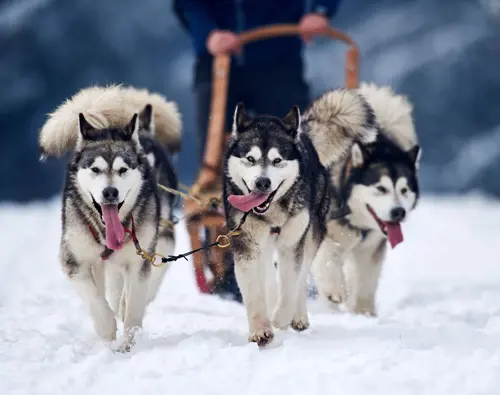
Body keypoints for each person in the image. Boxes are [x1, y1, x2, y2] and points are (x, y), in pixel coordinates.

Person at [173, 0, 343, 300]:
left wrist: (319, 10)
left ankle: (300, 262)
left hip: (279, 61)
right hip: (216, 62)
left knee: (296, 160)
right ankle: (230, 266)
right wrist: (208, 34)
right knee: (220, 168)